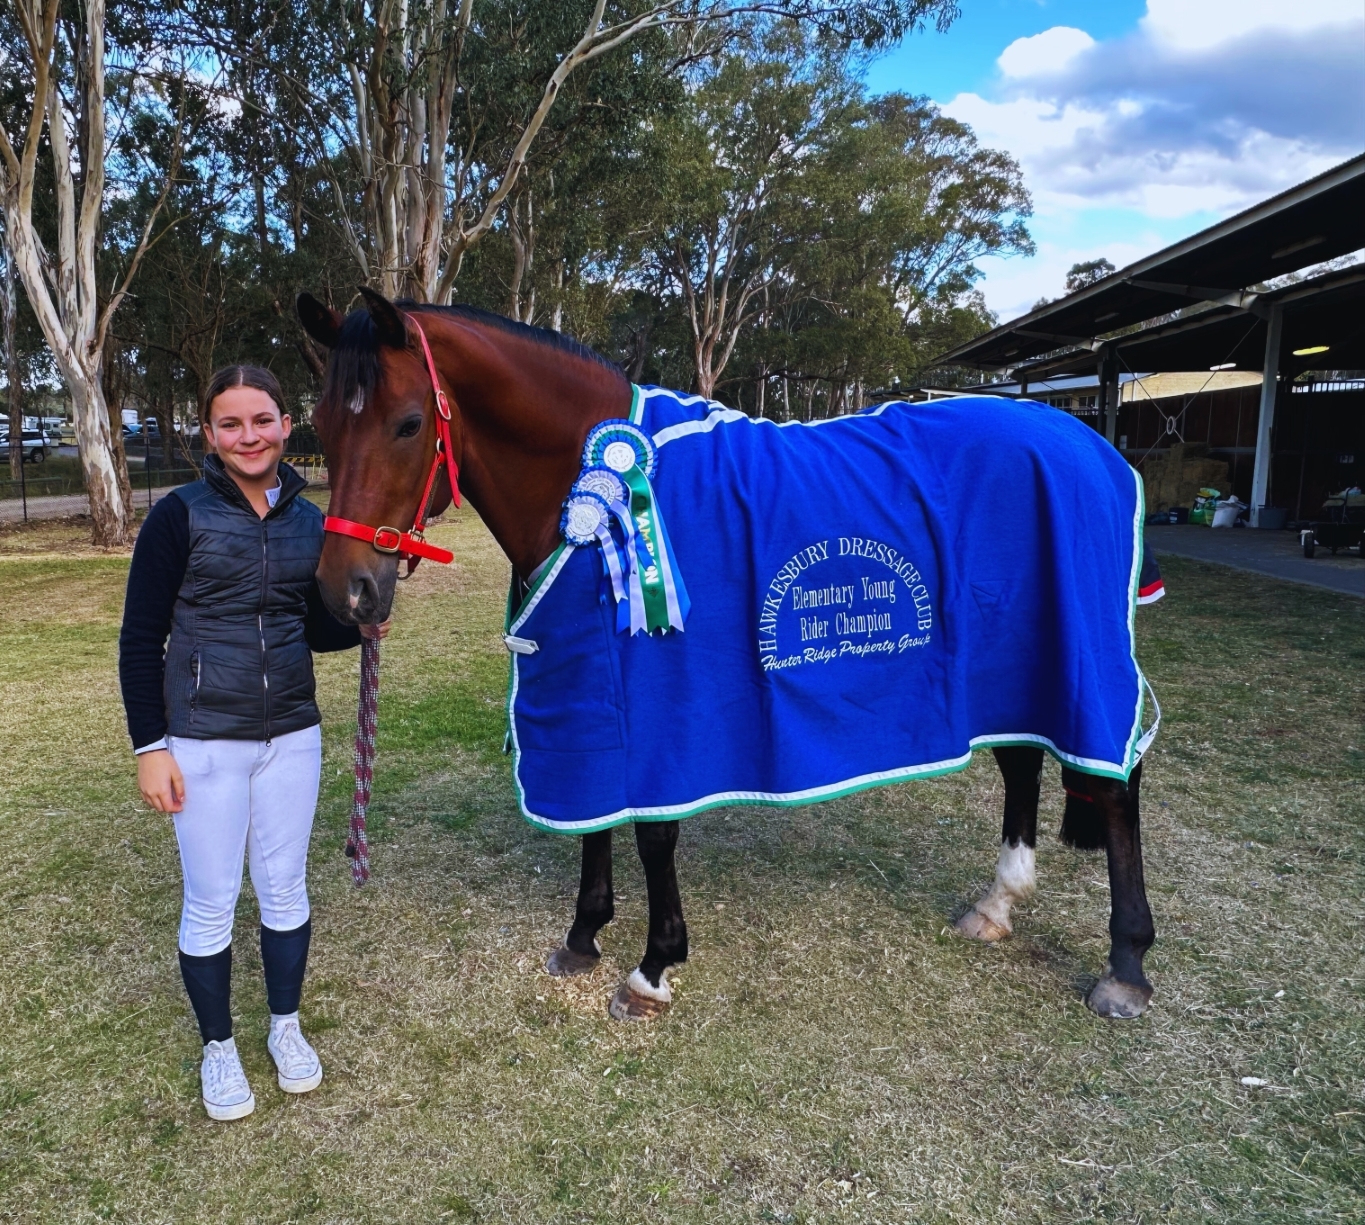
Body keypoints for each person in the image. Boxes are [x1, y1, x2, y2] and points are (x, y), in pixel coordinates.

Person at [118, 366, 386, 1121]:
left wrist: (361, 618)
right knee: (210, 903)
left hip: (291, 736)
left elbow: (309, 623)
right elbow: (141, 639)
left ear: (286, 424)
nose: (248, 436)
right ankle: (219, 1046)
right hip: (202, 739)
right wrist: (150, 745)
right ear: (208, 434)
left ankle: (285, 1028)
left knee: (285, 889)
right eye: (230, 424)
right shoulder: (179, 514)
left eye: (261, 420)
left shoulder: (311, 519)